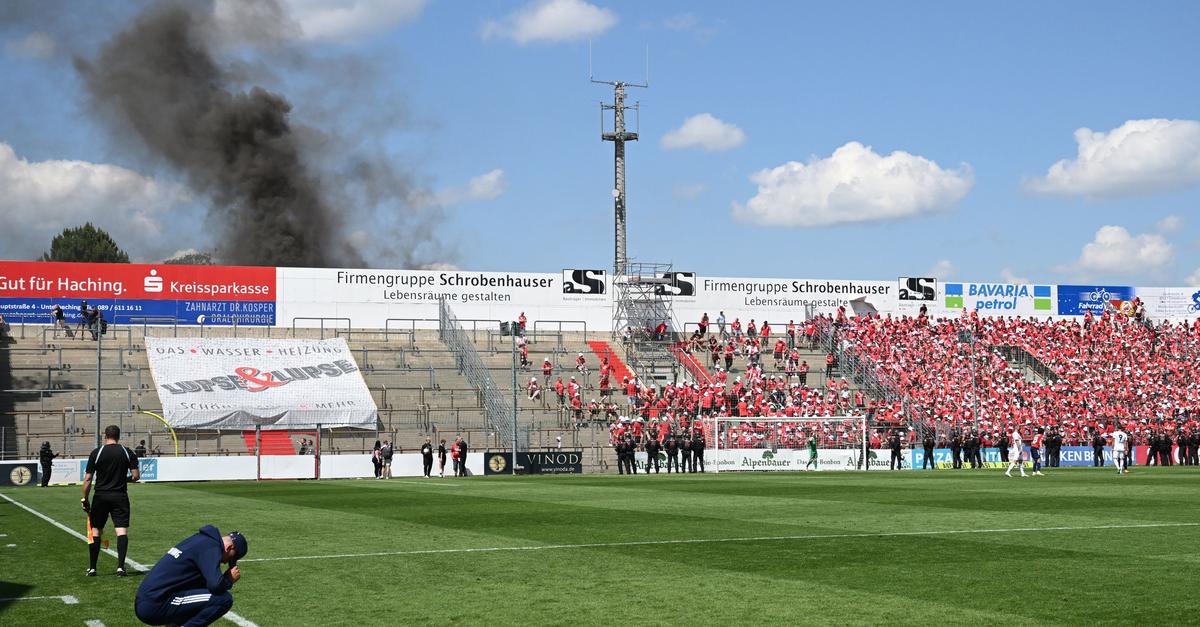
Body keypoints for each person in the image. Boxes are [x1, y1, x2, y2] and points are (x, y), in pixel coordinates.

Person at [134, 525, 247, 626]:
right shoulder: (211, 547)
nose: (225, 562)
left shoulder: (200, 539)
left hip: (148, 599)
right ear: (229, 548)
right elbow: (215, 585)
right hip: (155, 604)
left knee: (201, 594)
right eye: (231, 558)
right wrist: (228, 580)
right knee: (223, 599)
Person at [81, 425, 140, 576]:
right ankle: (121, 567)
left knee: (96, 531)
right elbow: (135, 476)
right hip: (120, 496)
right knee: (121, 531)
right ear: (119, 436)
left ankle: (93, 568)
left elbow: (88, 479)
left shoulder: (97, 452)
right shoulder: (127, 452)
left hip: (100, 496)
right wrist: (123, 479)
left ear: (105, 435)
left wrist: (85, 499)